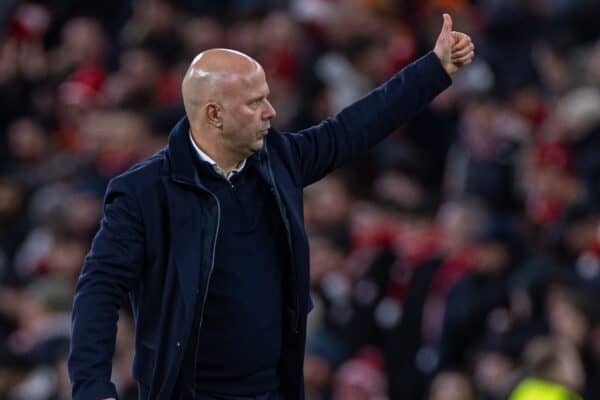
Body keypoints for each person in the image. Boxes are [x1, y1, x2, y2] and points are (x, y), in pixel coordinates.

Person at [68, 13, 474, 400]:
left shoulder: (280, 159)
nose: (271, 112)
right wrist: (92, 388)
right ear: (214, 115)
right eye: (254, 103)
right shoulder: (144, 193)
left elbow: (355, 128)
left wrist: (433, 69)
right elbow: (99, 289)